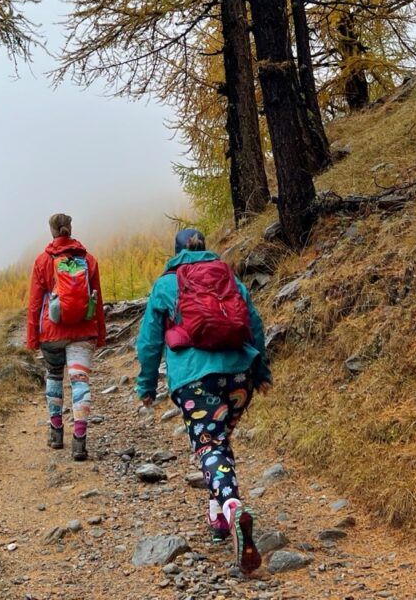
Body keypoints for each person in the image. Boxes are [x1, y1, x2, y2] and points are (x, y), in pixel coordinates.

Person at [136, 228, 271, 573]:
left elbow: (150, 342)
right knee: (219, 442)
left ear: (176, 251)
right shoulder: (227, 276)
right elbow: (253, 322)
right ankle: (220, 521)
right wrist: (262, 372)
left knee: (210, 444)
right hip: (240, 375)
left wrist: (147, 385)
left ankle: (230, 504)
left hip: (197, 379)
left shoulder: (167, 284)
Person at [27, 213, 106, 461]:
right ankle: (80, 442)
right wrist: (100, 334)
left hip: (52, 332)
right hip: (83, 331)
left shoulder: (42, 261)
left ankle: (56, 432)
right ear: (70, 229)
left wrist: (32, 337)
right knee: (79, 381)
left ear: (52, 231)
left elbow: (34, 304)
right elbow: (98, 300)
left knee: (53, 376)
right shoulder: (88, 260)